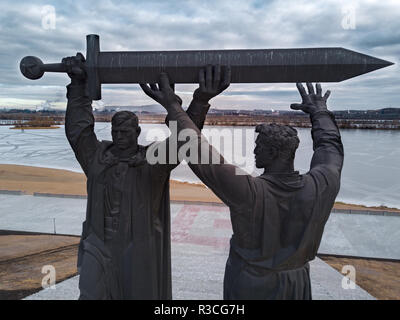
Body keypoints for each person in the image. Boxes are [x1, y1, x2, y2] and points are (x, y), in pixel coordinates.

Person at [141, 73, 344, 300]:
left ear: (274, 152)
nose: (255, 151)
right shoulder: (321, 185)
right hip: (297, 284)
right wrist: (319, 112)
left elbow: (199, 152)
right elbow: (330, 148)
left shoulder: (250, 192)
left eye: (259, 147)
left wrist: (173, 104)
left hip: (252, 285)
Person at [63, 53, 219, 299]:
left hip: (137, 252)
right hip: (99, 246)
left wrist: (199, 101)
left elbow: (184, 140)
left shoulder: (152, 162)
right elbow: (79, 130)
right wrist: (77, 87)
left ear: (137, 132)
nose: (120, 136)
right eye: (116, 131)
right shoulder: (96, 158)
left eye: (126, 131)